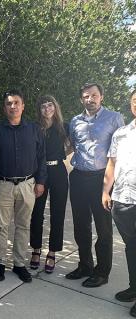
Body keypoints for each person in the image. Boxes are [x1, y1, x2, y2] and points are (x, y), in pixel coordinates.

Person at [66, 82, 124, 288]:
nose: (90, 99)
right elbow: (73, 145)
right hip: (79, 177)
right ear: (81, 99)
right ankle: (85, 265)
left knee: (103, 228)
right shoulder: (75, 121)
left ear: (101, 96)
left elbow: (121, 151)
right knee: (81, 226)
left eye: (94, 95)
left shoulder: (115, 118)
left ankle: (102, 272)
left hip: (102, 179)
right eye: (86, 96)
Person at [0, 89, 47, 283]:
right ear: (4, 108)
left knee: (23, 226)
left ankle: (20, 264)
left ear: (23, 105)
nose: (13, 106)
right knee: (1, 226)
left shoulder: (34, 129)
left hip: (27, 185)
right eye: (9, 103)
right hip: (2, 184)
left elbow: (41, 157)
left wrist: (40, 182)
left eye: (16, 103)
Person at [102, 89, 136, 317]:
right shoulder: (121, 133)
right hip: (122, 199)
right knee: (131, 247)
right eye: (135, 100)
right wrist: (106, 191)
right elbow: (112, 164)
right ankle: (134, 287)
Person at [29, 95, 70, 274]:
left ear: (55, 107)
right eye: (43, 106)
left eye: (50, 105)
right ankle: (36, 250)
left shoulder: (64, 127)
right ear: (40, 110)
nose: (47, 109)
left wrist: (62, 154)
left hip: (59, 172)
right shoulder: (35, 128)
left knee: (57, 213)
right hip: (40, 173)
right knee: (37, 213)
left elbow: (72, 145)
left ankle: (52, 252)